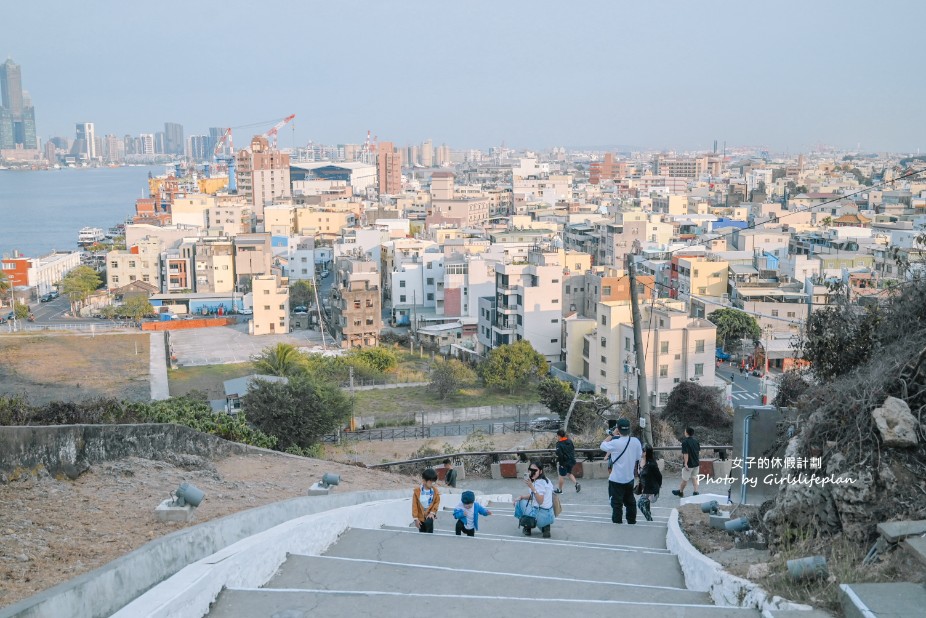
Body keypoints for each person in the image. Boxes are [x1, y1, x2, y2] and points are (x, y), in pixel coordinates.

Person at [600, 418, 643, 524]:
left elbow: (602, 445)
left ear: (618, 429)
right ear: (629, 429)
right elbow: (638, 457)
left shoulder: (615, 443)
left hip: (616, 479)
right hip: (629, 478)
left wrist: (612, 434)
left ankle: (617, 522)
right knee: (630, 502)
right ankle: (631, 521)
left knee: (616, 503)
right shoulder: (636, 442)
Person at [516, 460, 555, 538]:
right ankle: (545, 527)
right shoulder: (546, 480)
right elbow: (534, 496)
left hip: (541, 515)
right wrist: (522, 496)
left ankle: (527, 527)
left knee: (520, 503)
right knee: (522, 500)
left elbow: (540, 501)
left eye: (534, 470)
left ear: (540, 471)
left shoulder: (538, 483)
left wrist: (532, 487)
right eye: (530, 470)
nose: (532, 472)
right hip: (550, 515)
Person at [672, 427, 701, 497]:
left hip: (689, 463)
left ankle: (680, 491)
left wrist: (685, 463)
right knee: (694, 477)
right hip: (696, 463)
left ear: (687, 433)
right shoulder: (696, 441)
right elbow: (698, 451)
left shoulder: (685, 442)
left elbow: (686, 453)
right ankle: (696, 492)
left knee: (685, 479)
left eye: (685, 431)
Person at [637, 444, 662, 522]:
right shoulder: (640, 461)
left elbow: (659, 476)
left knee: (640, 503)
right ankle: (649, 520)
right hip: (644, 488)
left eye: (642, 451)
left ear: (646, 453)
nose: (641, 452)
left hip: (651, 488)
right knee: (646, 505)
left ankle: (650, 520)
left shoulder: (652, 464)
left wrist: (658, 486)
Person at [412, 468, 441, 533]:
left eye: (434, 482)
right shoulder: (417, 492)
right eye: (431, 482)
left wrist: (432, 513)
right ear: (424, 481)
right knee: (422, 532)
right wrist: (416, 519)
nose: (432, 483)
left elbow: (437, 502)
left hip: (429, 515)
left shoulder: (435, 491)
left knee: (429, 526)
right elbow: (414, 506)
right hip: (420, 517)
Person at [554, 429, 580, 494]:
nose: (557, 437)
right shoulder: (569, 441)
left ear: (559, 436)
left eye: (557, 436)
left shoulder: (559, 444)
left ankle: (560, 490)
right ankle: (576, 483)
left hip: (564, 462)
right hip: (571, 460)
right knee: (569, 473)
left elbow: (560, 454)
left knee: (561, 475)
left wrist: (561, 463)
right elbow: (573, 449)